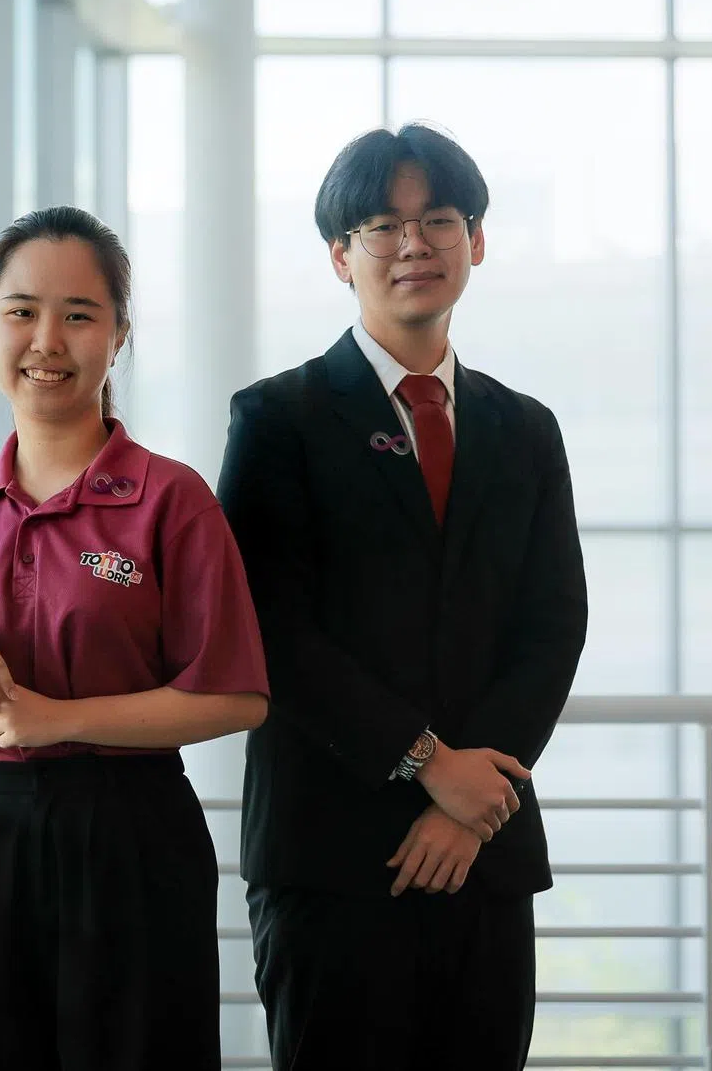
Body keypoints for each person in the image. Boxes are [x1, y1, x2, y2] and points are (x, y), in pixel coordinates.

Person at [217, 123, 588, 1070]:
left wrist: (471, 802)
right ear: (340, 255)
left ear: (477, 240)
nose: (414, 244)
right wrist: (428, 764)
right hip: (331, 857)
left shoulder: (526, 429)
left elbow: (554, 626)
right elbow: (272, 628)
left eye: (439, 220)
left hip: (484, 854)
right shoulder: (278, 419)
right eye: (383, 225)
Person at [0, 206, 269, 1071]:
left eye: (79, 315)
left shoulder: (171, 499)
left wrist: (57, 718)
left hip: (131, 836)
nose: (47, 341)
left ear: (119, 336)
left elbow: (236, 696)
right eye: (22, 311)